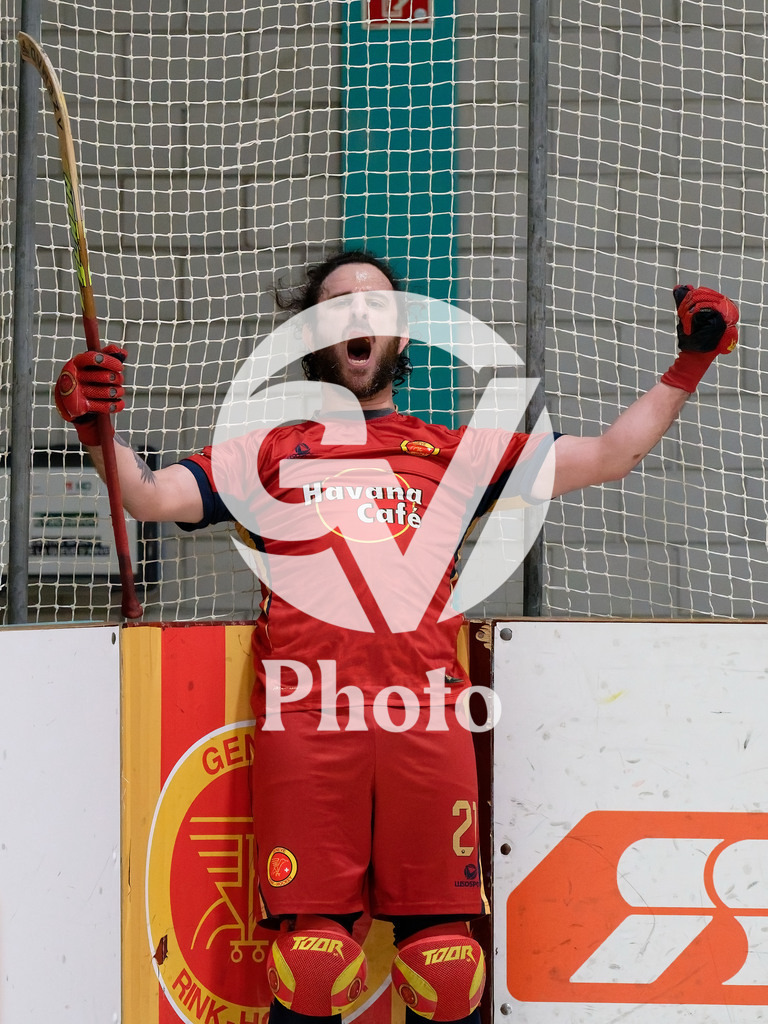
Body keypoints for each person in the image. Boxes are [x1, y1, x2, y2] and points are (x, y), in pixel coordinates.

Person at [54, 250, 738, 1024]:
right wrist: (94, 428)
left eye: (374, 306)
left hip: (427, 720)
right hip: (307, 722)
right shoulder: (268, 453)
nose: (356, 317)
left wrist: (689, 363)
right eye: (337, 305)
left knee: (445, 971)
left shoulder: (452, 454)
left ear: (402, 338)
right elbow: (147, 495)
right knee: (310, 966)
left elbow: (612, 456)